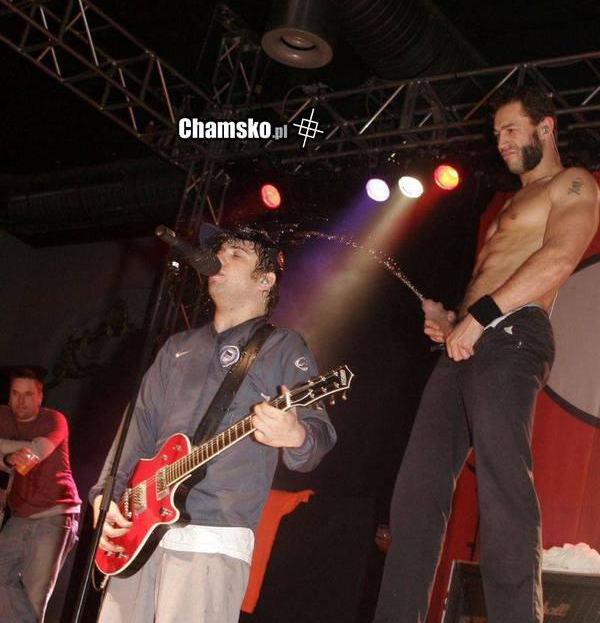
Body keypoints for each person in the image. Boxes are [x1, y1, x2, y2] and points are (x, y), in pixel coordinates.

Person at [373, 85, 600, 623]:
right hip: (470, 337)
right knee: (417, 491)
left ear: (546, 127)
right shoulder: (508, 202)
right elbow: (491, 282)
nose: (501, 142)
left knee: (502, 483)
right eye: (496, 133)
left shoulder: (572, 183)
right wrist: (451, 319)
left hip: (514, 333)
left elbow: (560, 257)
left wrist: (479, 317)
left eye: (511, 129)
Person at [91, 224, 337, 623]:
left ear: (265, 280)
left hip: (213, 537)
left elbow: (319, 433)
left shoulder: (281, 346)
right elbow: (136, 430)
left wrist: (296, 435)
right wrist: (106, 498)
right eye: (218, 252)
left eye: (235, 254)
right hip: (138, 532)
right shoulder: (177, 347)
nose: (219, 259)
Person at [0, 367, 81, 623]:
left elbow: (34, 454)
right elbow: (13, 462)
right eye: (15, 394)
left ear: (40, 396)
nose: (20, 401)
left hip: (55, 514)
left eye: (27, 394)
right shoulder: (3, 416)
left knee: (35, 597)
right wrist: (7, 458)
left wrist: (6, 454)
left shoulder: (54, 419)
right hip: (21, 513)